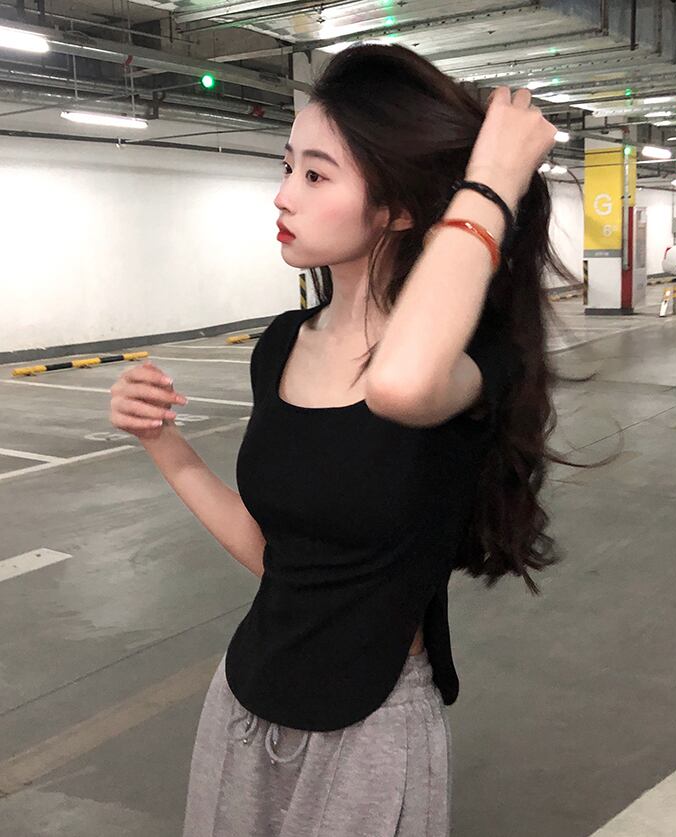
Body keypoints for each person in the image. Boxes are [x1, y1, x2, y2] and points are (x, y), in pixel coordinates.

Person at [110, 42, 574, 837]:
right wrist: (165, 443)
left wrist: (494, 179)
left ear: (398, 209)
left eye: (316, 175)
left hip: (369, 731)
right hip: (244, 704)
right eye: (287, 165)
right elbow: (281, 558)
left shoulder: (471, 363)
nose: (283, 193)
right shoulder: (281, 344)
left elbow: (400, 385)